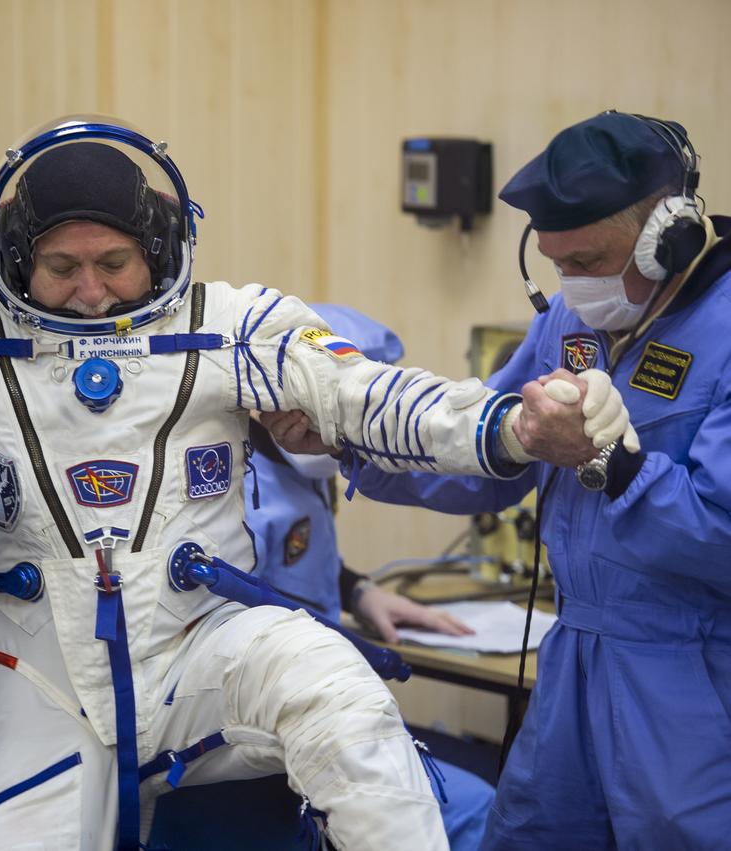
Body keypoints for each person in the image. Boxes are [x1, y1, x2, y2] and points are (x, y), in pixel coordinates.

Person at [0, 116, 637, 851]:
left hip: (196, 650)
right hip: (35, 678)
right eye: (62, 268)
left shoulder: (230, 322)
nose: (91, 292)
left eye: (113, 264)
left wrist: (513, 425)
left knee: (340, 694)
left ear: (158, 249)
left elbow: (369, 397)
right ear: (15, 258)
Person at [269, 111, 731, 850]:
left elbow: (721, 534)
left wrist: (613, 465)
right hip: (574, 653)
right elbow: (483, 461)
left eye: (587, 260)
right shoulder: (572, 324)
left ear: (666, 234)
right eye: (556, 265)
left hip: (691, 681)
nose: (573, 285)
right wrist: (350, 443)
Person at [245, 304, 494, 851]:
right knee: (483, 809)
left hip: (319, 710)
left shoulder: (293, 466)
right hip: (275, 737)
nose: (338, 434)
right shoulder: (241, 486)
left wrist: (358, 590)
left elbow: (296, 558)